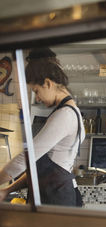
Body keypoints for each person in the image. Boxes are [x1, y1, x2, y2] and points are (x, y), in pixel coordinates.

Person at [0, 48, 85, 206]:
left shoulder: (64, 115)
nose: (37, 98)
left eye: (36, 91)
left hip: (57, 201)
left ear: (48, 83)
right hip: (53, 196)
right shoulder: (67, 112)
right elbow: (37, 168)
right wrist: (6, 189)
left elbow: (24, 160)